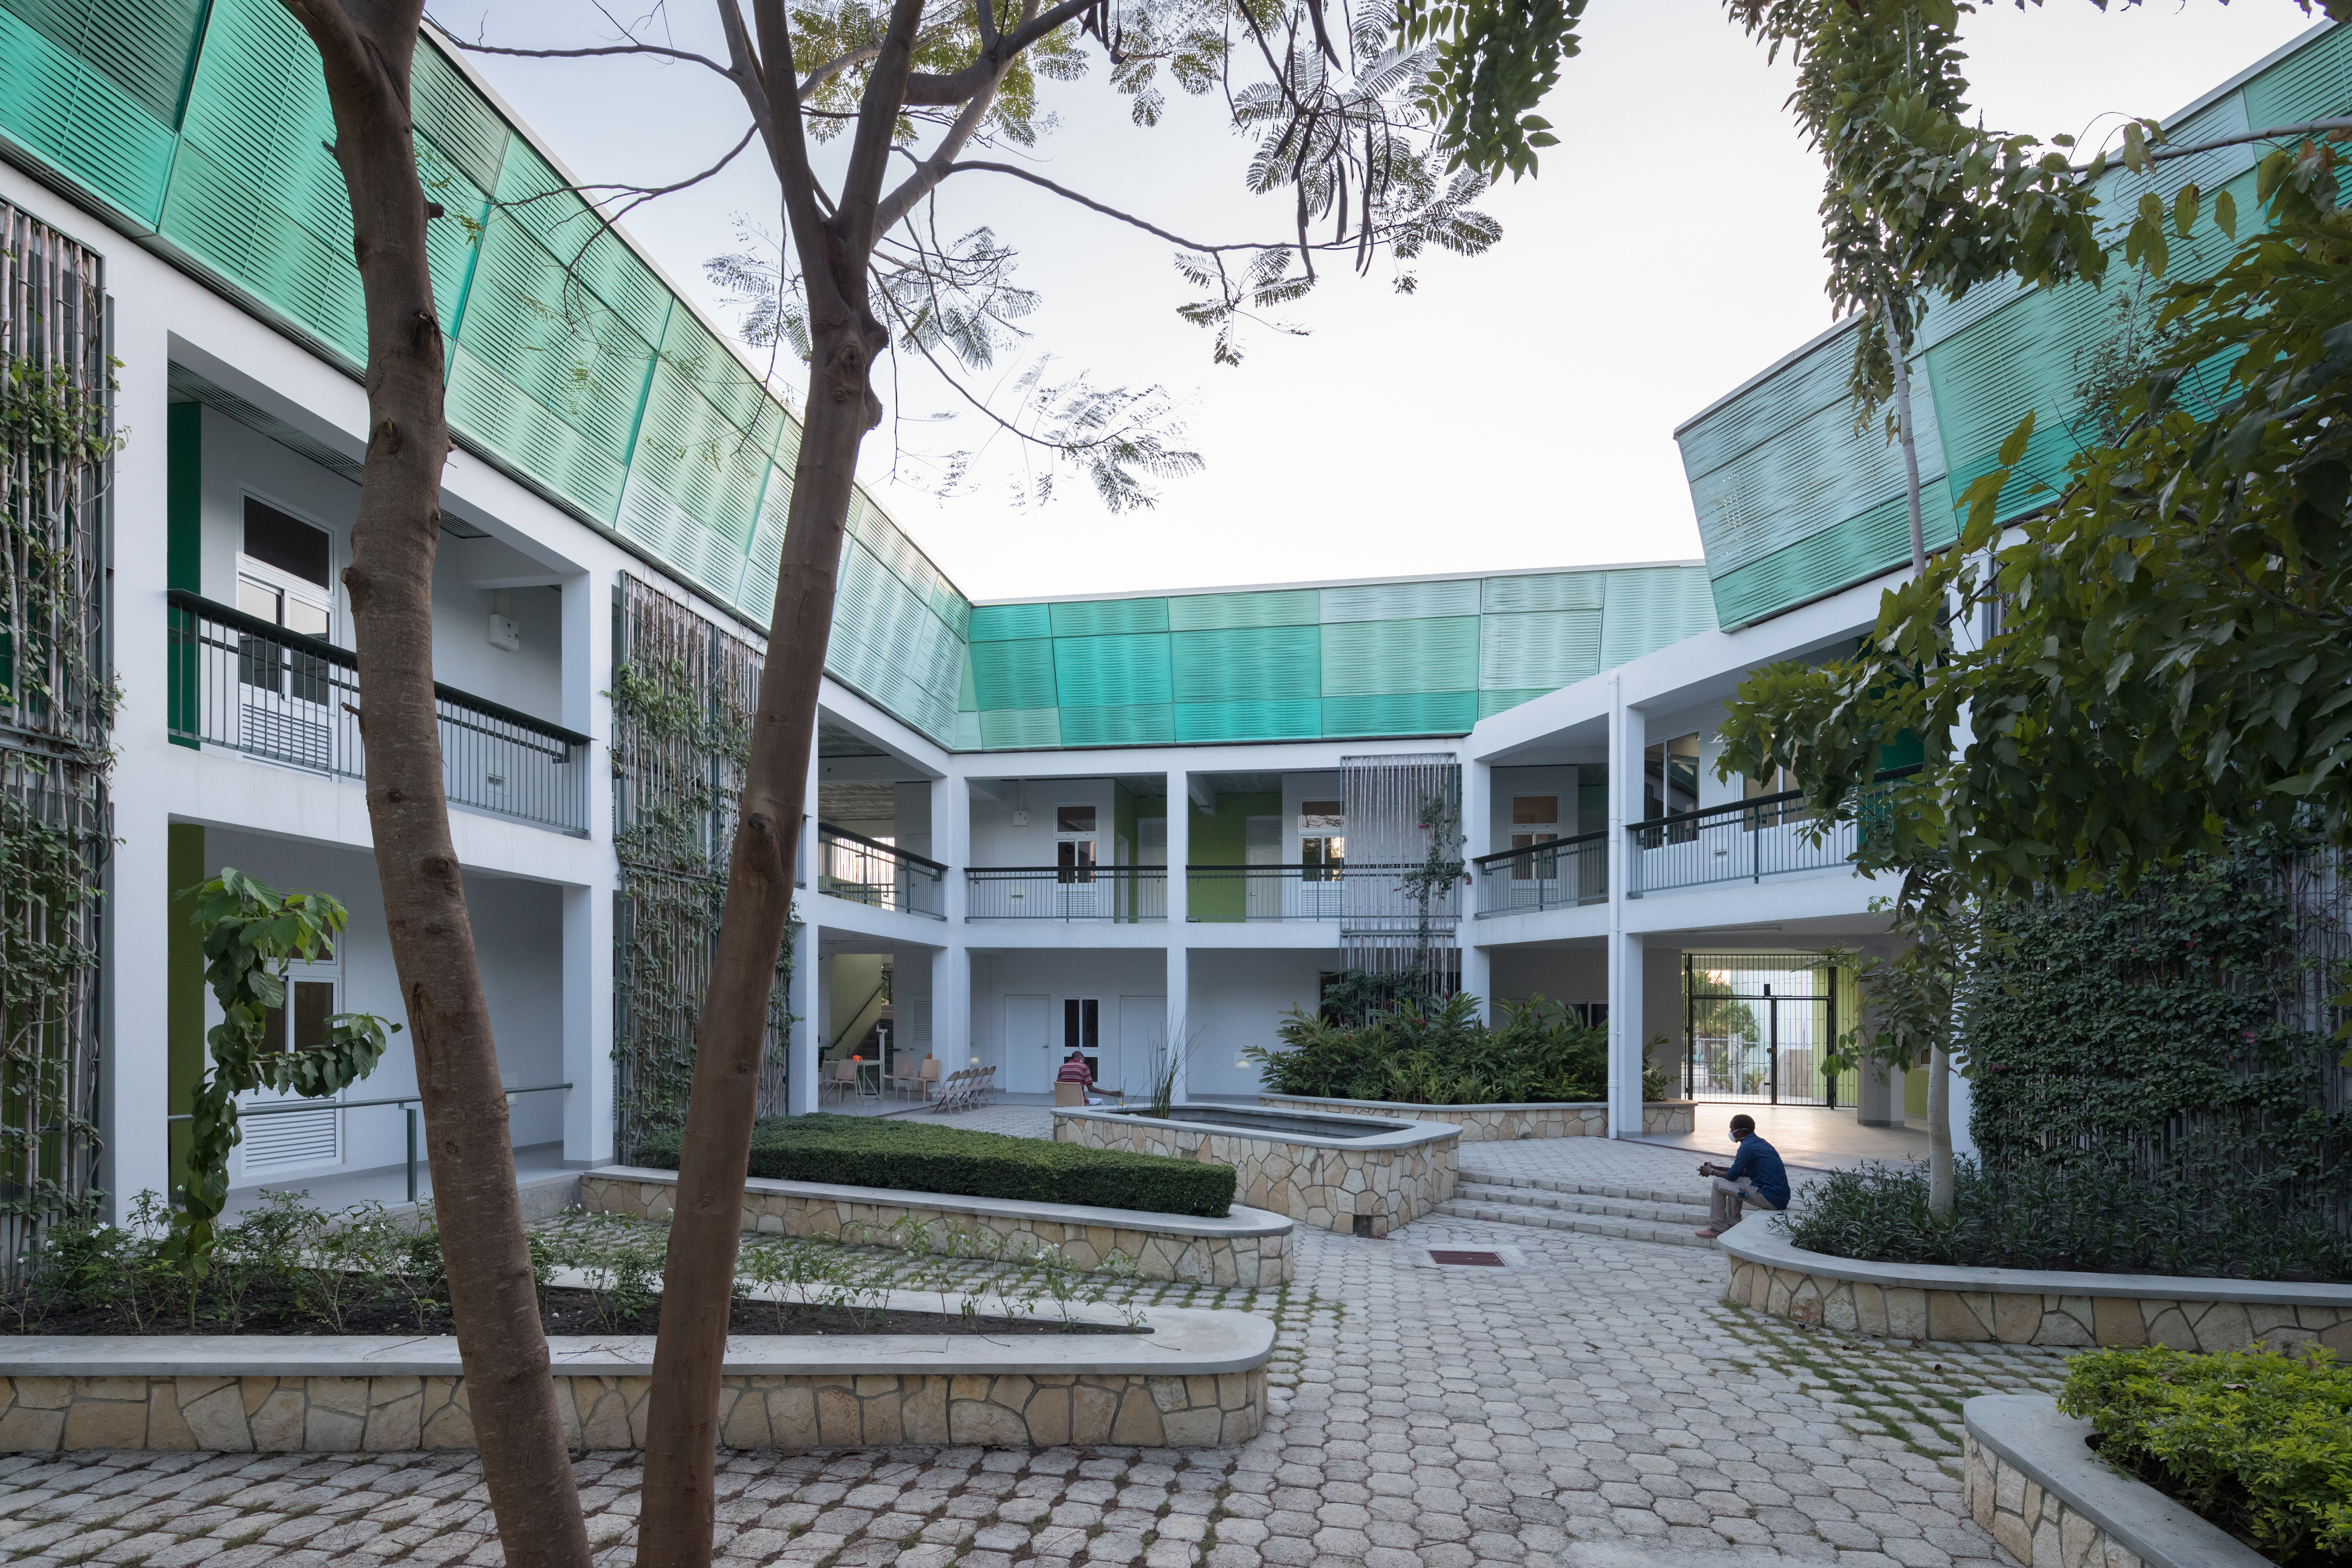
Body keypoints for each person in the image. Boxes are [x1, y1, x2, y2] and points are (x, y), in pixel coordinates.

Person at [1694, 1113, 1789, 1238]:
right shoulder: (1759, 1143)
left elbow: (1732, 1176)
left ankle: (1717, 1228)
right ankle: (1732, 1223)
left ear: (1740, 1132)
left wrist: (1711, 1172)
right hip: (1780, 1198)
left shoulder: (1747, 1147)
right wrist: (1714, 1168)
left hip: (1769, 1199)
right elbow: (1739, 1172)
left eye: (1732, 1129)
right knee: (1735, 1182)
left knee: (1718, 1183)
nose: (1730, 1132)